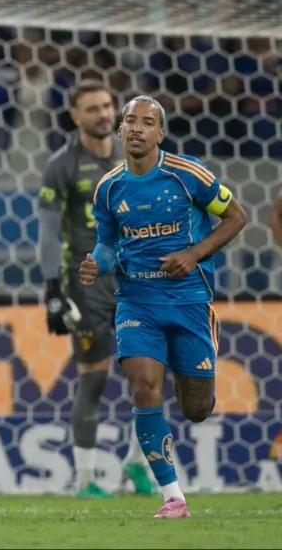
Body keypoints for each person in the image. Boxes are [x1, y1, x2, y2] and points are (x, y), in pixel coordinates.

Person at [81, 95, 247, 518]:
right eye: (129, 121)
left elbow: (236, 217)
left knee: (195, 409)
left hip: (190, 299)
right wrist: (95, 263)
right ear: (120, 130)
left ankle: (186, 369)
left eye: (146, 122)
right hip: (137, 300)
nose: (135, 128)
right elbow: (108, 242)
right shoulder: (108, 188)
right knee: (142, 385)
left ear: (160, 133)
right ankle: (174, 496)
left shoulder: (188, 175)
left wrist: (193, 254)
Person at [37, 80, 154, 499]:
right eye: (93, 109)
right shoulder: (62, 164)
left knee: (154, 375)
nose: (104, 114)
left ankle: (138, 464)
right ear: (75, 116)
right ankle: (85, 480)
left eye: (108, 106)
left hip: (139, 277)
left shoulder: (137, 156)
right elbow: (48, 234)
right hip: (85, 282)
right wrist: (52, 291)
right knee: (94, 379)